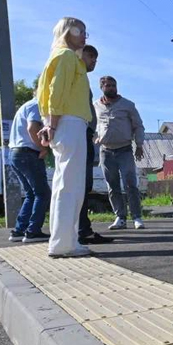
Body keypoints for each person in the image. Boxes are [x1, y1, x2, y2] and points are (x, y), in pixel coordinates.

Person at [37, 17, 92, 258]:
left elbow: (47, 94)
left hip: (67, 122)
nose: (84, 36)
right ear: (67, 31)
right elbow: (56, 91)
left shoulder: (63, 57)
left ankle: (66, 240)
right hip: (69, 122)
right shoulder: (67, 56)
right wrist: (52, 123)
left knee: (66, 184)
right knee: (70, 184)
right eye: (80, 30)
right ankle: (63, 243)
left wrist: (49, 123)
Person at [94, 75, 146, 230]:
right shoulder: (95, 105)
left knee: (131, 184)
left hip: (124, 150)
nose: (111, 88)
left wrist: (139, 144)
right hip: (105, 151)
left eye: (113, 85)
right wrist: (95, 137)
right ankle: (120, 217)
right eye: (108, 85)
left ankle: (137, 217)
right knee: (112, 185)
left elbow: (138, 125)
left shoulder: (128, 105)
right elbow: (90, 124)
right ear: (101, 87)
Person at [77, 45, 112, 245]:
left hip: (84, 134)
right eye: (91, 56)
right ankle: (81, 231)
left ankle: (82, 229)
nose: (94, 61)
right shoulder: (74, 73)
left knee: (83, 185)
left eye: (96, 58)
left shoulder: (81, 76)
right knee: (80, 185)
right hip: (79, 134)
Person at [6, 99, 50, 243]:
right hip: (28, 153)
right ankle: (33, 232)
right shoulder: (37, 105)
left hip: (15, 153)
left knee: (31, 194)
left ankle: (19, 230)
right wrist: (43, 147)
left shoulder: (25, 106)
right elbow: (32, 128)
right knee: (42, 193)